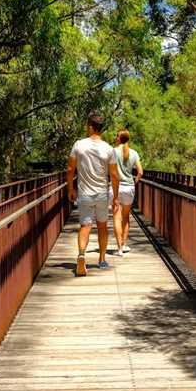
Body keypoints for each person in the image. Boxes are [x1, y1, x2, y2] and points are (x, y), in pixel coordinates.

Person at [67, 112, 120, 277]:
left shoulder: (79, 145)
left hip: (84, 194)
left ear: (90, 126)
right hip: (102, 195)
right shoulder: (109, 149)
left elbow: (70, 170)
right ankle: (102, 259)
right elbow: (114, 175)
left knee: (85, 226)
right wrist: (116, 196)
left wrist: (70, 189)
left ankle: (82, 254)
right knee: (102, 226)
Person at [111, 129, 143, 256]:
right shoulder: (134, 153)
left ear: (119, 138)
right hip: (129, 188)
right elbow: (140, 172)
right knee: (125, 217)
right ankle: (124, 245)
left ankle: (119, 248)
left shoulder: (113, 152)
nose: (115, 137)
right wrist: (134, 182)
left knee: (116, 218)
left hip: (116, 188)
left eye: (116, 136)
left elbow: (108, 170)